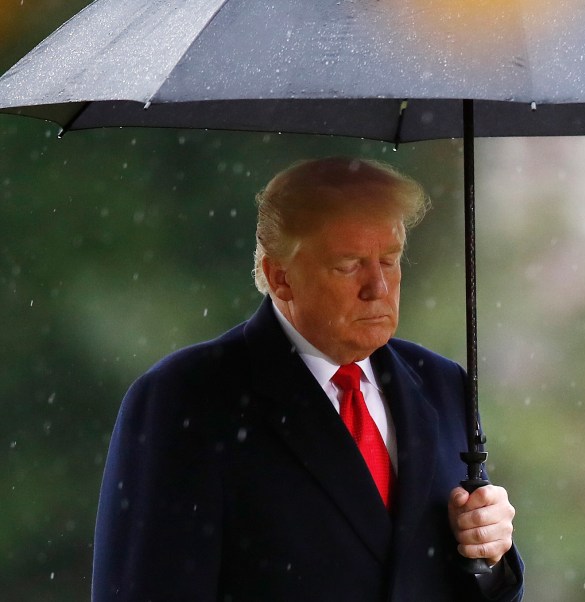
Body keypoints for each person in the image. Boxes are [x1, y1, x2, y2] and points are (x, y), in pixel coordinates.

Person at [91, 157, 525, 601]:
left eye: (390, 260)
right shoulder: (185, 398)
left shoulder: (441, 383)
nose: (378, 286)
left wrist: (490, 557)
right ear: (281, 278)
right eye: (349, 264)